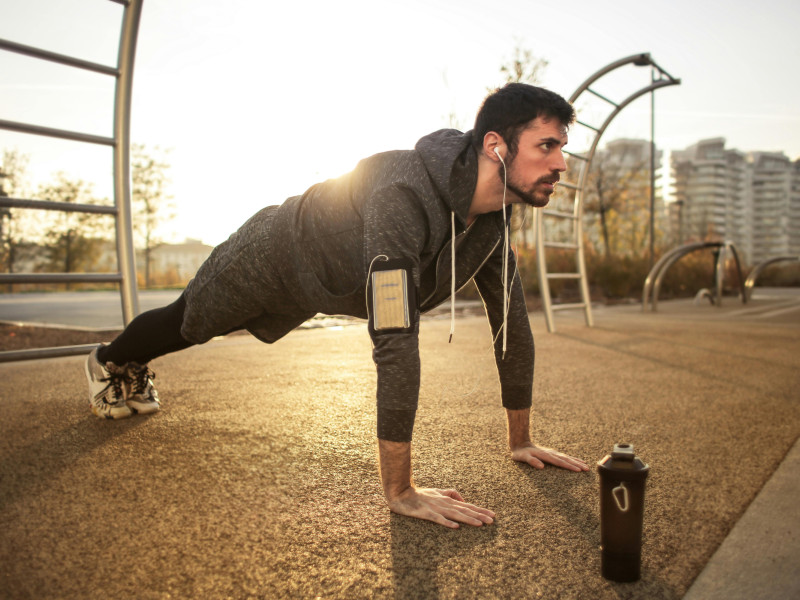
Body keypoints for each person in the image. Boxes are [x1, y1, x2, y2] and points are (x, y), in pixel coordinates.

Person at [85, 82, 590, 529]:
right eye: (546, 146)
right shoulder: (402, 194)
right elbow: (395, 335)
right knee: (189, 324)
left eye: (563, 148)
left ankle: (125, 361)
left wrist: (520, 440)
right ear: (496, 146)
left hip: (326, 283)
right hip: (273, 253)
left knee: (194, 324)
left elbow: (513, 325)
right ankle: (110, 358)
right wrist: (400, 490)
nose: (561, 164)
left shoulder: (494, 223)